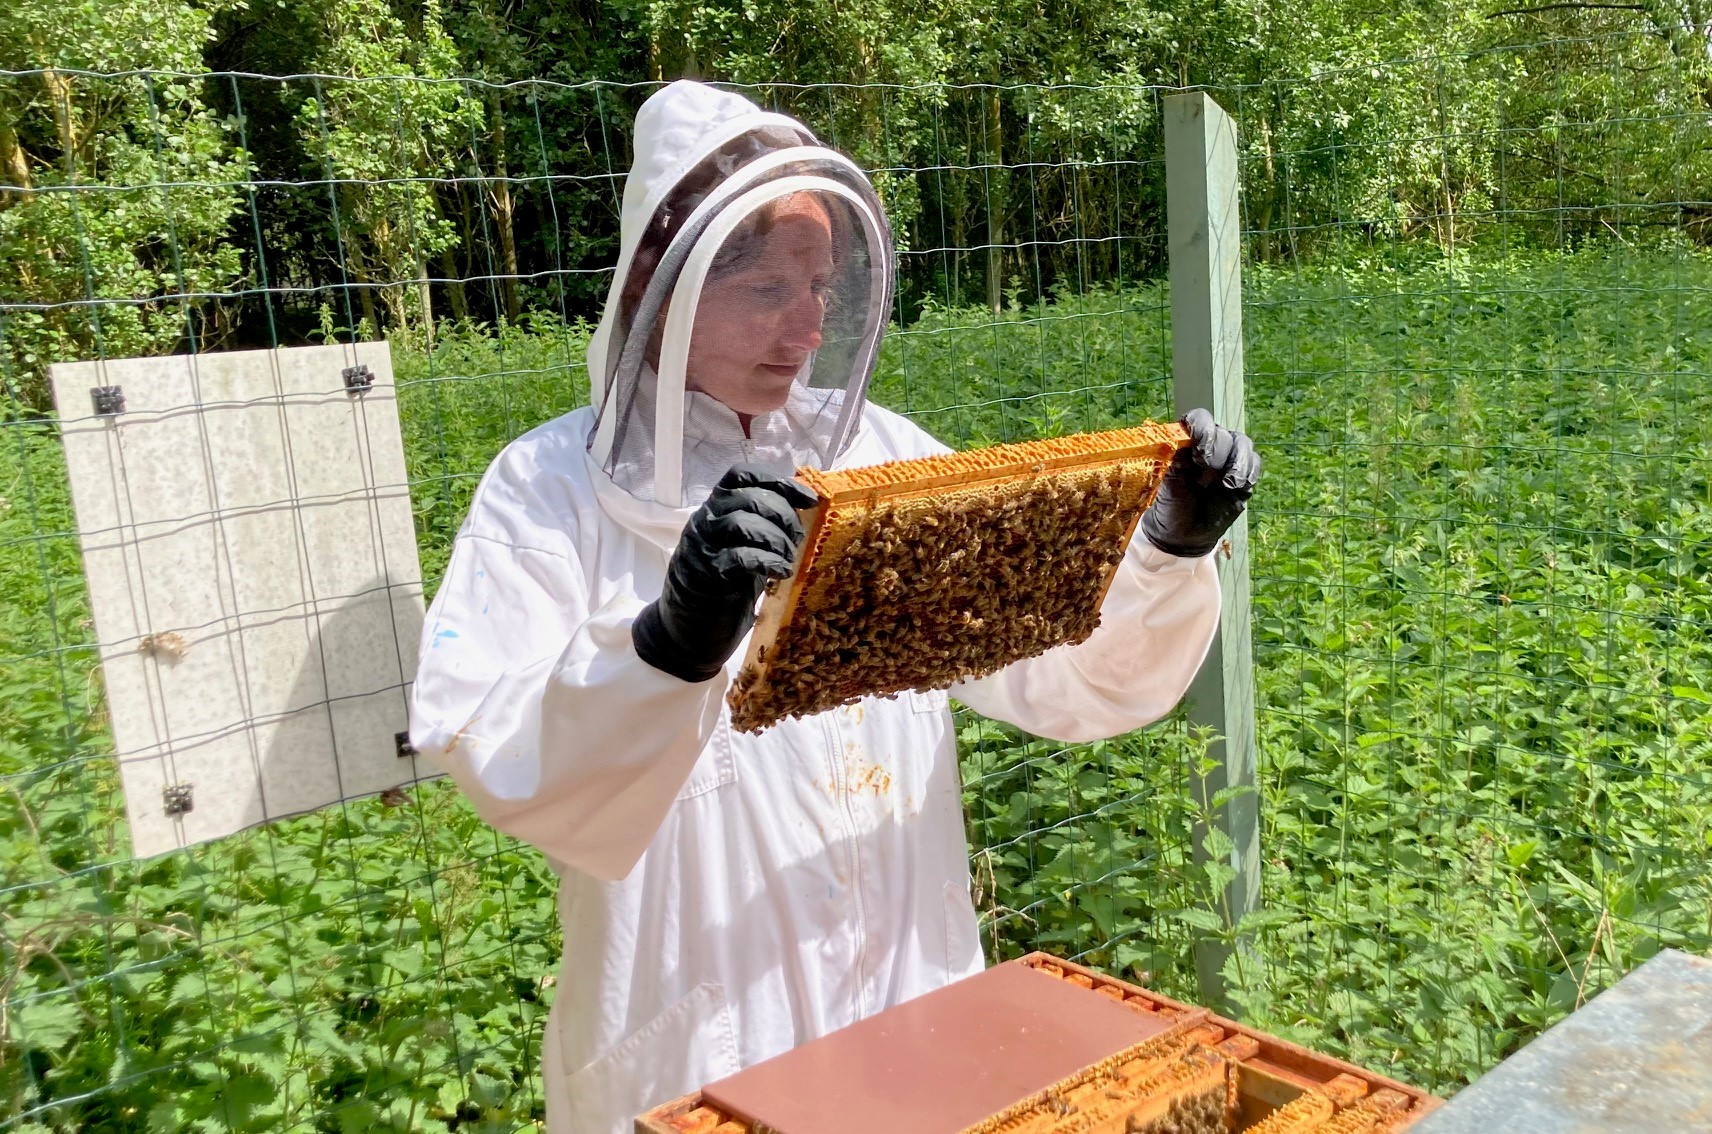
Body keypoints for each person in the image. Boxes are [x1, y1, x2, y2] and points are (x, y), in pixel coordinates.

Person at [408, 80, 1261, 1134]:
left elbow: (1065, 675)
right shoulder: (547, 488)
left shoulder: (882, 456)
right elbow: (494, 756)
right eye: (769, 287)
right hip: (702, 1031)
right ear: (658, 287)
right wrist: (667, 647)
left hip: (915, 999)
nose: (809, 324)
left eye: (821, 284)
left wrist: (1161, 554)